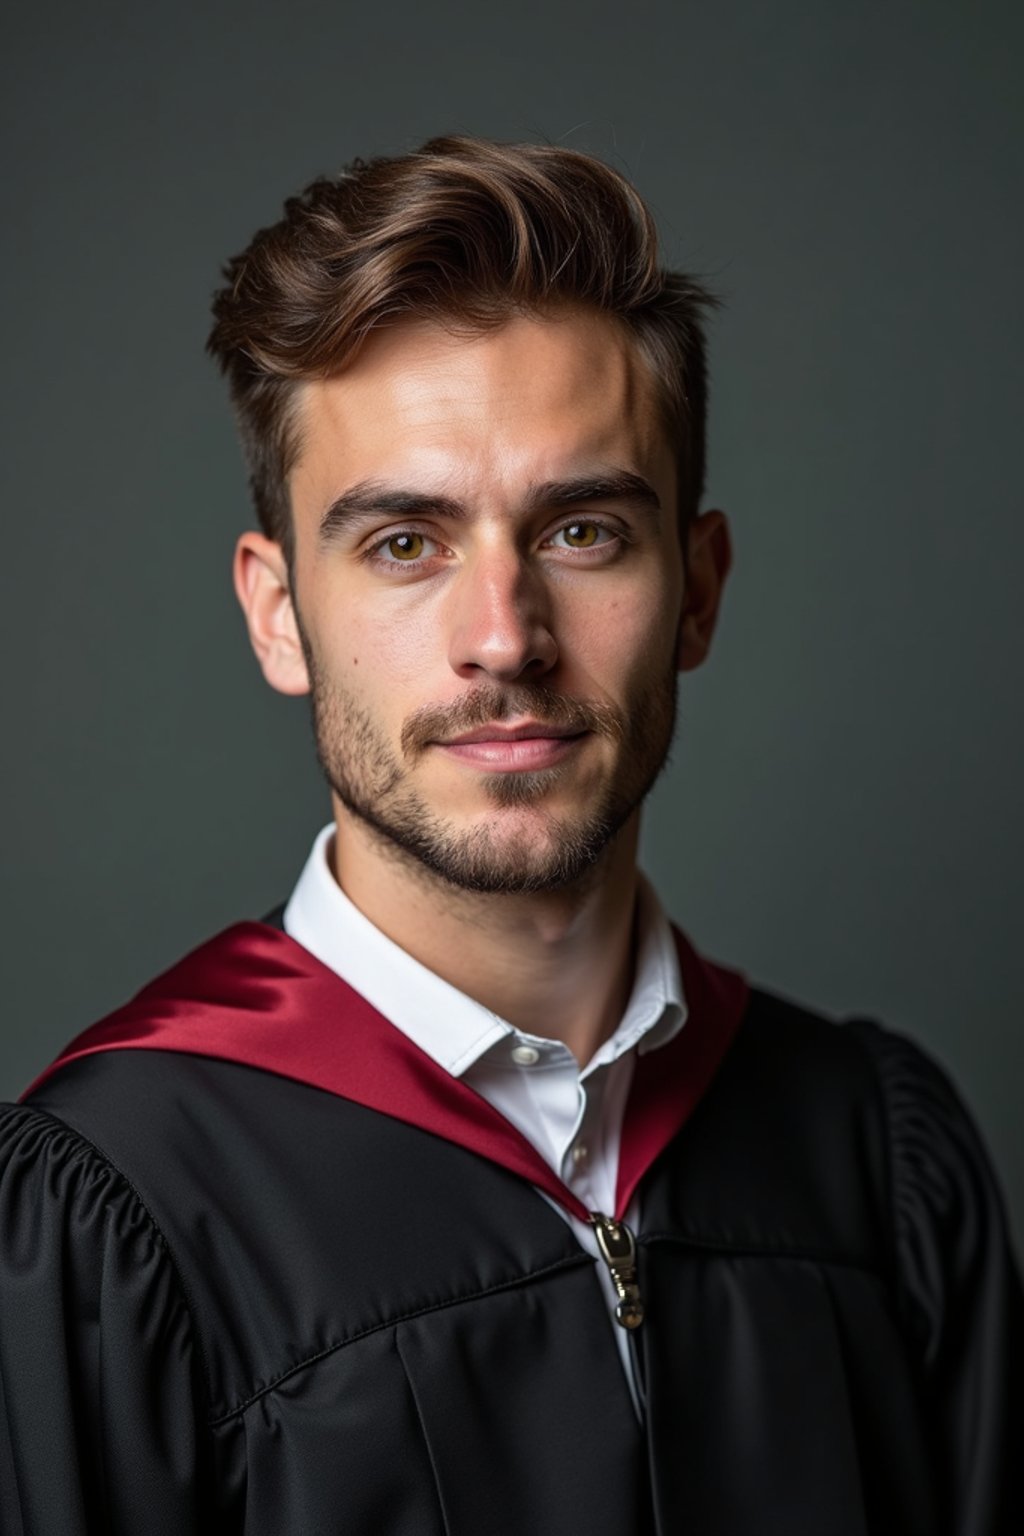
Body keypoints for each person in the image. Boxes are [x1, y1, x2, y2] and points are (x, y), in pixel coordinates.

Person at [0, 134, 1020, 1536]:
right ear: (277, 611)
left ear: (701, 589)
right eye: (404, 544)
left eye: (584, 531)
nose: (506, 639)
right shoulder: (114, 1212)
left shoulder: (872, 1159)